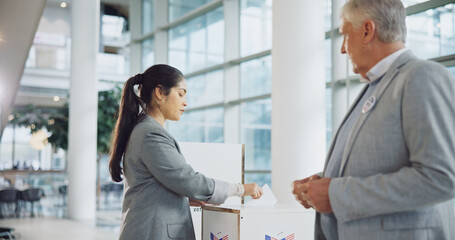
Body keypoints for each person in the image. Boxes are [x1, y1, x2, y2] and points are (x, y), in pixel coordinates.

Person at [292, 0, 455, 239]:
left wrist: (337, 194)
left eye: (345, 35)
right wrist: (323, 185)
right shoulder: (375, 86)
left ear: (367, 30)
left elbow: (440, 177)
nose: (343, 49)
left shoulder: (421, 76)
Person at [109, 64, 263, 240]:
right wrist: (240, 189)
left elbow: (153, 186)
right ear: (159, 93)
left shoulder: (144, 129)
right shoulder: (151, 134)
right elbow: (188, 180)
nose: (185, 102)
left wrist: (183, 199)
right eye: (180, 94)